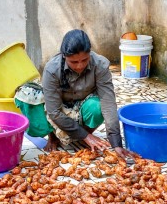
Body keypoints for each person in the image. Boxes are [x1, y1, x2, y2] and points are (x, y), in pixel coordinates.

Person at [15, 29, 135, 159]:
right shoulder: (52, 69)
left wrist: (116, 143)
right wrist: (86, 136)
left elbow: (108, 103)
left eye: (85, 60)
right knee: (27, 98)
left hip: (83, 104)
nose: (80, 66)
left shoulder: (100, 65)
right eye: (74, 62)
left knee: (98, 107)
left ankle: (84, 135)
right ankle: (54, 135)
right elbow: (54, 112)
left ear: (90, 53)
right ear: (64, 56)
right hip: (58, 106)